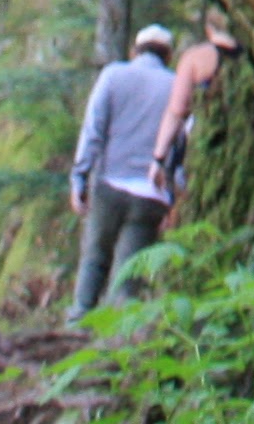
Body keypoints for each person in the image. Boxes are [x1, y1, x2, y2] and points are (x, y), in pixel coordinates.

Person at [67, 24, 182, 313]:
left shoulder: (113, 76)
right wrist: (174, 198)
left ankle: (79, 321)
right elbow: (181, 145)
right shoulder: (177, 86)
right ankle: (119, 341)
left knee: (95, 257)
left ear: (135, 50)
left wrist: (79, 178)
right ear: (169, 55)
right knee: (129, 273)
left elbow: (93, 130)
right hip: (152, 193)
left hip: (110, 185)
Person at [145, 8, 241, 201]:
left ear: (208, 29)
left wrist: (158, 159)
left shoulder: (196, 57)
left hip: (205, 145)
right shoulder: (251, 55)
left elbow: (177, 110)